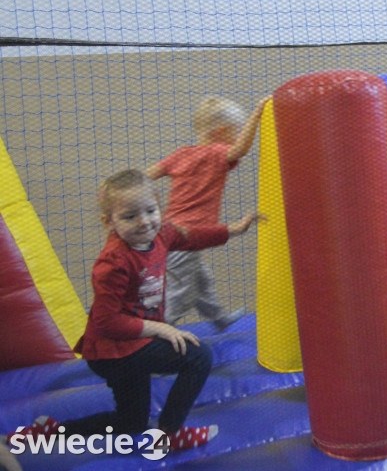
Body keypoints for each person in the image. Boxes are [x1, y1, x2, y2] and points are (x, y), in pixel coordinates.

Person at [5, 169, 260, 453]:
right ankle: (169, 434)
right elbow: (106, 321)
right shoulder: (113, 263)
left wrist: (234, 229)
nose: (144, 222)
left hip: (134, 344)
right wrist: (161, 328)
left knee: (131, 423)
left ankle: (49, 433)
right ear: (109, 222)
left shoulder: (161, 234)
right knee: (198, 357)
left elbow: (191, 237)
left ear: (159, 208)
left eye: (150, 211)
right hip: (113, 352)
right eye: (129, 216)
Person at [147, 95, 269, 330]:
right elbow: (241, 149)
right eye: (236, 131)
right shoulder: (216, 153)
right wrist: (257, 115)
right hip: (187, 237)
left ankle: (219, 318)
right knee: (181, 295)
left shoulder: (181, 154)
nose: (237, 136)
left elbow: (147, 175)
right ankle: (158, 334)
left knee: (202, 279)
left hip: (172, 232)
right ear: (222, 132)